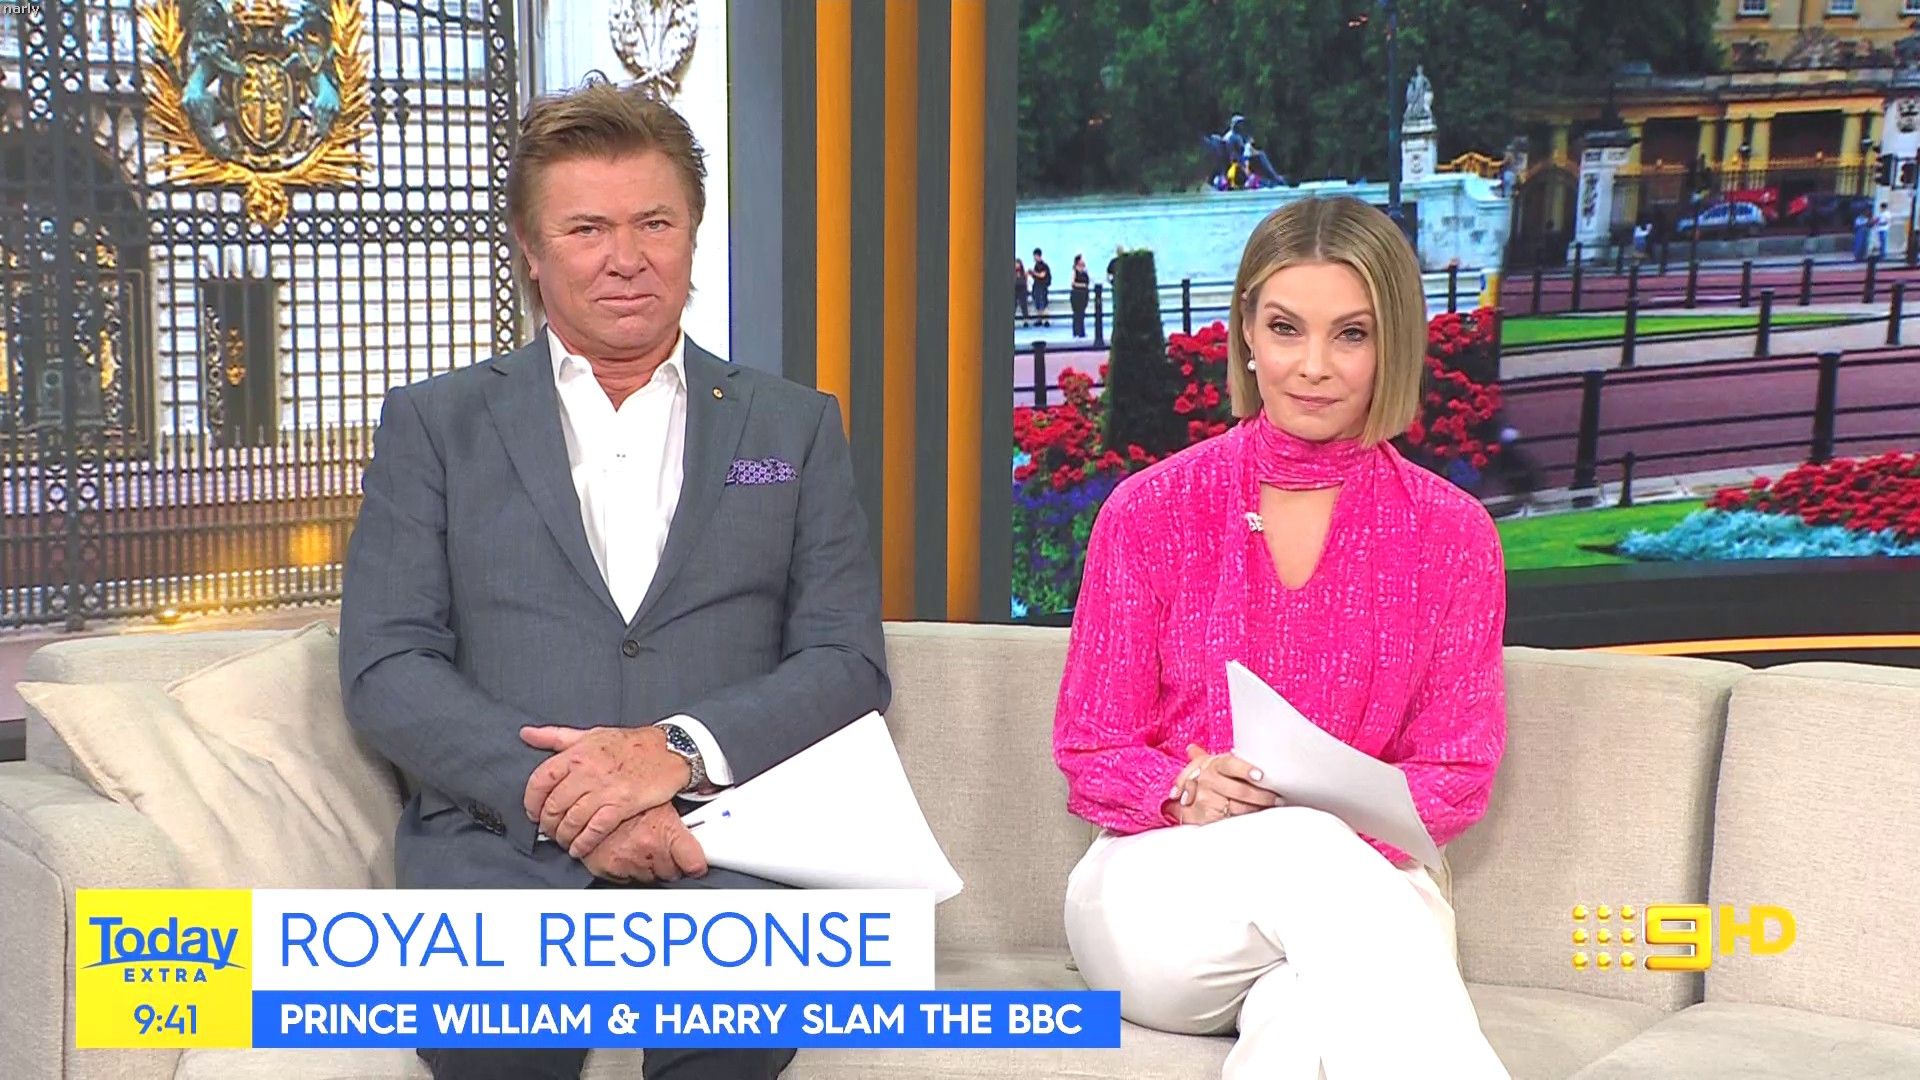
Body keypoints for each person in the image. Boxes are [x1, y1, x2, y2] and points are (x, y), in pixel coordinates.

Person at [339, 82, 889, 1080]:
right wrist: (571, 801)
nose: (626, 257)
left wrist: (674, 754)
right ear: (530, 247)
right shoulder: (435, 425)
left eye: (654, 223)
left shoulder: (793, 425)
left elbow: (846, 660)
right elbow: (387, 665)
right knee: (495, 1044)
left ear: (693, 232)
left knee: (733, 1030)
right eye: (587, 228)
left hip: (726, 841)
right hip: (501, 845)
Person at [1053, 195, 1509, 1079]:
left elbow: (1457, 771)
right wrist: (1183, 789)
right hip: (1161, 895)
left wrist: (1333, 820)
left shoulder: (1452, 536)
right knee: (1307, 848)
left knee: (1302, 1019)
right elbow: (1090, 746)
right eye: (1286, 328)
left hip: (1364, 887)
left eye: (1351, 334)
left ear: (1392, 345)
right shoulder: (1151, 512)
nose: (1313, 366)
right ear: (1247, 335)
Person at [1030, 247, 1052, 327]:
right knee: (1037, 303)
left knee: (1043, 303)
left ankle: (1046, 320)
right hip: (1037, 287)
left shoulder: (1044, 266)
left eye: (1035, 256)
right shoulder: (1036, 266)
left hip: (1043, 287)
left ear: (1038, 256)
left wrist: (1033, 273)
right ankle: (1039, 319)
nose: (1034, 258)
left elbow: (1042, 275)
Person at [1070, 254, 1091, 338]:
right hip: (1076, 294)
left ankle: (1081, 331)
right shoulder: (1074, 271)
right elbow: (1073, 283)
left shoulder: (1085, 272)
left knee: (1082, 314)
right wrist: (1082, 285)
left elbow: (1088, 282)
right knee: (1077, 313)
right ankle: (1076, 331)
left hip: (1084, 295)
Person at [1015, 258, 1031, 327]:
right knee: (1013, 305)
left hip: (1023, 290)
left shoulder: (1023, 273)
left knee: (1024, 305)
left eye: (1018, 264)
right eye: (1016, 264)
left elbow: (1026, 282)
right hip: (1015, 290)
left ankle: (1026, 321)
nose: (1017, 265)